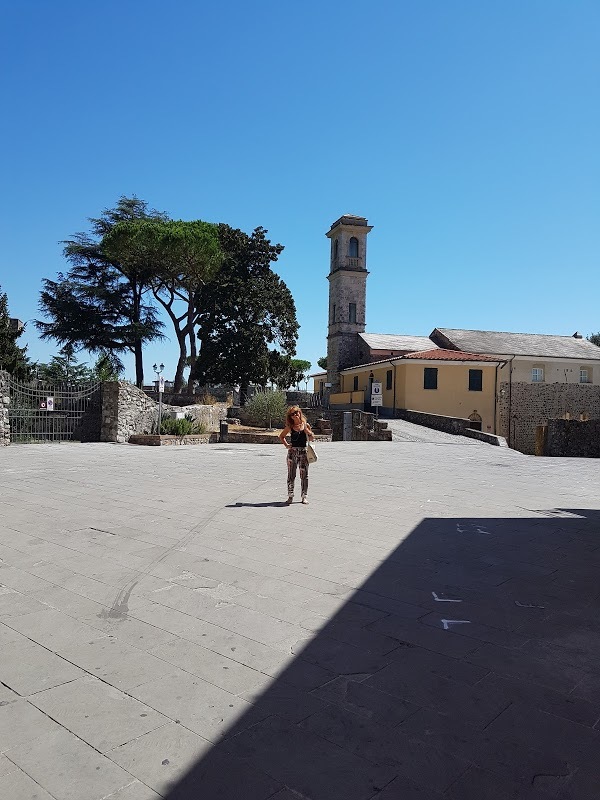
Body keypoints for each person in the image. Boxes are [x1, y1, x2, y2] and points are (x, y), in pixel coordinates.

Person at [278, 405, 315, 505]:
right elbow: (281, 436)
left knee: (304, 475)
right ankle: (290, 496)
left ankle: (304, 496)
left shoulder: (305, 425)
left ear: (300, 413)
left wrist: (308, 431)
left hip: (303, 453)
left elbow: (312, 438)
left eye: (296, 413)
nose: (295, 415)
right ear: (290, 417)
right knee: (291, 475)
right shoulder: (290, 427)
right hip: (292, 453)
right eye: (292, 414)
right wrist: (287, 445)